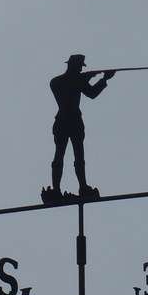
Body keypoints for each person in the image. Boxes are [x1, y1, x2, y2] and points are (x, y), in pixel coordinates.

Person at [45, 54, 114, 200]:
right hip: (71, 121)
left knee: (74, 156)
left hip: (66, 121)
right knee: (65, 156)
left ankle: (78, 187)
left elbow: (79, 86)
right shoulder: (62, 81)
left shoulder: (58, 81)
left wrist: (86, 78)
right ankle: (66, 188)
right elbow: (92, 93)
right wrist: (103, 79)